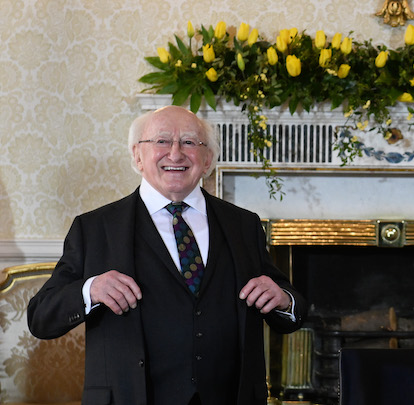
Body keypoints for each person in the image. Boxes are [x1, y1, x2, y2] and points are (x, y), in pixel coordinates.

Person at [28, 105, 307, 405]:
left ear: (208, 159)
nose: (175, 154)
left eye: (189, 142)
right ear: (137, 156)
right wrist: (91, 290)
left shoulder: (244, 224)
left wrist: (283, 299)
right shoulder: (95, 229)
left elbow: (291, 308)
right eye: (162, 141)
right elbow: (40, 317)